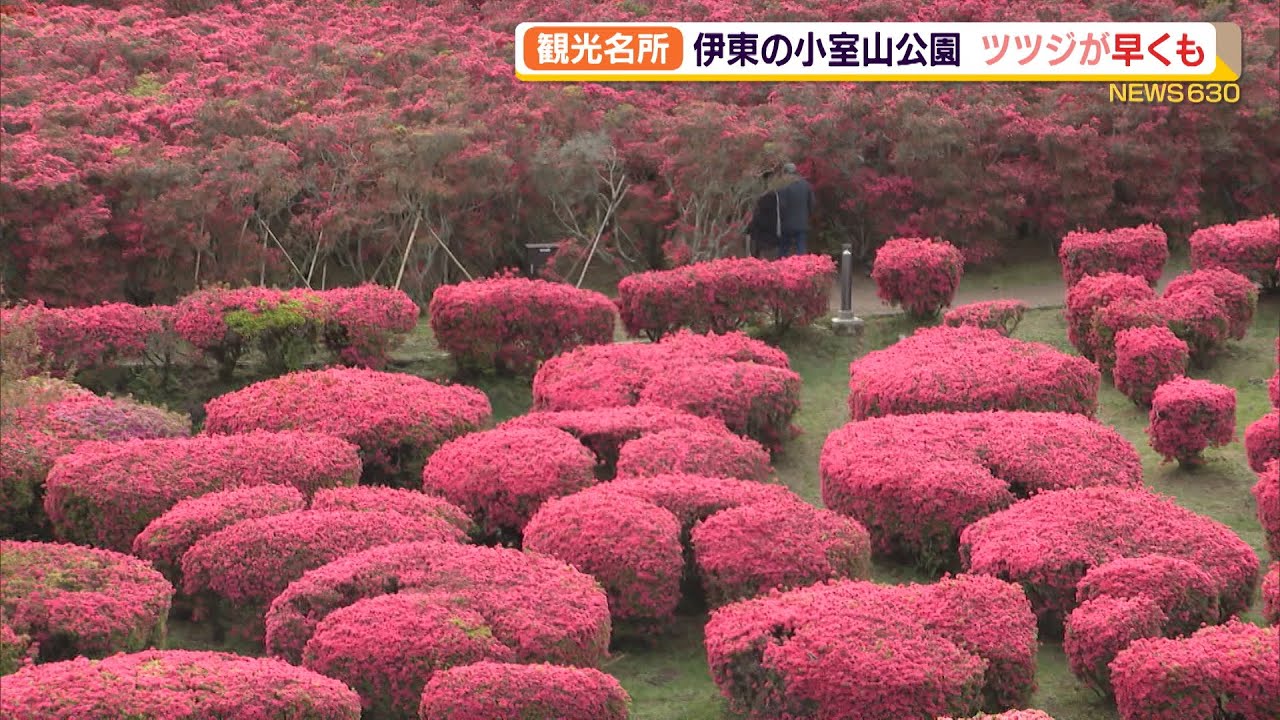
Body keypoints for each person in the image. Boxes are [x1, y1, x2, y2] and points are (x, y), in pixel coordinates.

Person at [775, 162, 815, 256]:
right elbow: (812, 203)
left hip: (786, 224)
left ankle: (781, 268)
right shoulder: (806, 185)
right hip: (802, 222)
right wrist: (807, 215)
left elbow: (781, 206)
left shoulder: (782, 186)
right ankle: (801, 269)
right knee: (801, 249)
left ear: (785, 173)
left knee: (783, 249)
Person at [747, 170, 782, 259]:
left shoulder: (767, 196)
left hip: (765, 232)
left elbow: (760, 215)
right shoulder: (774, 194)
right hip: (769, 231)